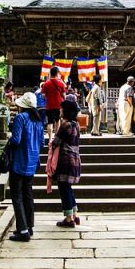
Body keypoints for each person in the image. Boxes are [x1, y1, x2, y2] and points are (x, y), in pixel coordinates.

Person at [7, 91, 44, 242]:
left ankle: (22, 231)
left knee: (17, 196)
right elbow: (42, 143)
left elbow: (16, 140)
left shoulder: (21, 118)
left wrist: (9, 139)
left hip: (19, 161)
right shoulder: (39, 121)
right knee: (28, 194)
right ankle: (29, 226)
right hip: (32, 162)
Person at [50, 96, 82, 227]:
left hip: (65, 160)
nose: (60, 111)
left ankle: (69, 219)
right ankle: (75, 214)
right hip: (75, 158)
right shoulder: (76, 124)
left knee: (63, 188)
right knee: (68, 188)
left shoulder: (65, 125)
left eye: (61, 109)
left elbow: (56, 142)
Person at [40, 67, 67, 145]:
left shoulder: (46, 83)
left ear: (50, 73)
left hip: (49, 105)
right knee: (58, 120)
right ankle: (56, 137)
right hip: (59, 105)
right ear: (57, 73)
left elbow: (44, 95)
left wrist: (49, 96)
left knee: (50, 122)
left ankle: (50, 139)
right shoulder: (61, 83)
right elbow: (64, 95)